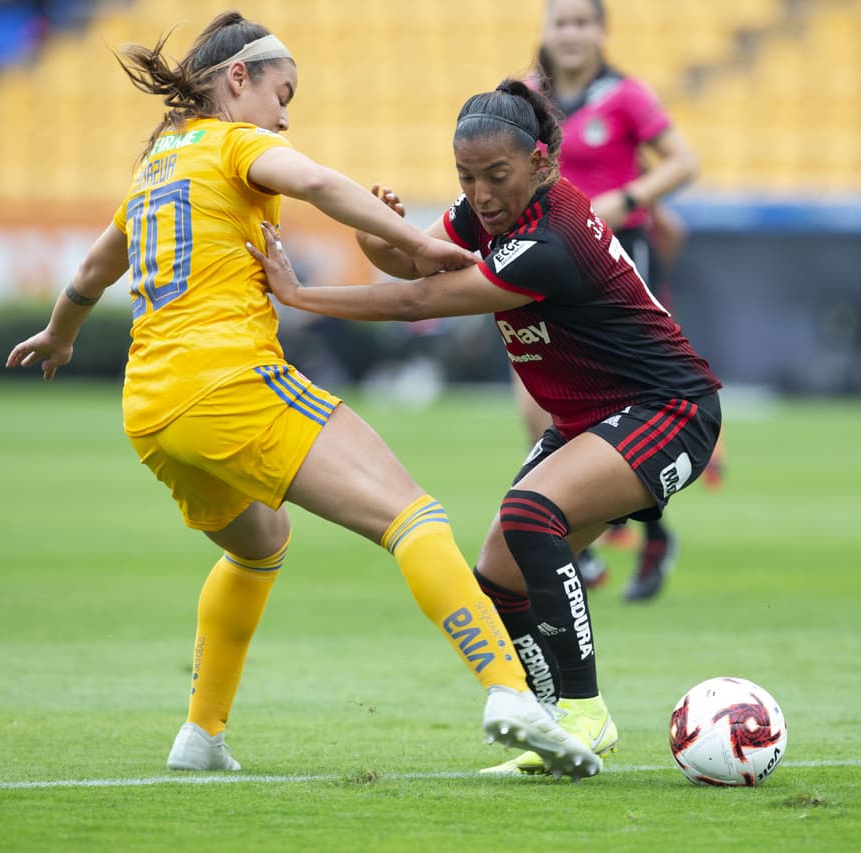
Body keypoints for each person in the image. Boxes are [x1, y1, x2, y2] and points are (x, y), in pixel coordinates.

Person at [5, 12, 600, 780]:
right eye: (282, 94)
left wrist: (60, 333)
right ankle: (510, 694)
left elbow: (91, 273)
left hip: (151, 409)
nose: (286, 116)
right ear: (238, 79)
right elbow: (315, 181)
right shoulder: (236, 141)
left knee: (261, 543)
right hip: (227, 381)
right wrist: (418, 245)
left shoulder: (155, 167)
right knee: (413, 514)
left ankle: (201, 734)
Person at [247, 78, 723, 775]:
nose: (481, 194)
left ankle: (584, 712)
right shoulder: (493, 216)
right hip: (595, 415)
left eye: (496, 175)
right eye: (466, 178)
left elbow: (420, 300)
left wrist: (299, 295)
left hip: (669, 409)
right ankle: (554, 724)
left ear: (539, 162)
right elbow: (414, 261)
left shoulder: (551, 239)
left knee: (532, 515)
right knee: (498, 571)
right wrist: (375, 228)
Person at [515, 0, 703, 602]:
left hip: (615, 264)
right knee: (535, 403)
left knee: (627, 405)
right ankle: (578, 540)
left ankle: (648, 533)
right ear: (545, 30)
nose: (569, 33)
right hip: (543, 259)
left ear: (601, 31)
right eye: (559, 22)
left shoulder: (626, 96)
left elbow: (684, 161)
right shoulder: (525, 96)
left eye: (581, 22)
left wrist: (628, 199)